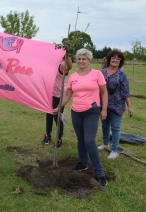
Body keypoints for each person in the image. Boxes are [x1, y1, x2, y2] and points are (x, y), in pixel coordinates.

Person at [55, 48, 108, 186]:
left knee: (89, 140)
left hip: (91, 110)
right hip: (76, 111)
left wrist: (104, 110)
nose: (81, 61)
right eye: (79, 59)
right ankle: (83, 163)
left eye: (84, 58)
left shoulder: (97, 74)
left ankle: (99, 172)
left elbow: (104, 93)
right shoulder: (73, 76)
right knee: (80, 139)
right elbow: (68, 94)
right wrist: (60, 106)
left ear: (89, 60)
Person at [98, 50, 134, 159]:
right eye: (113, 58)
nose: (115, 60)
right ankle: (105, 144)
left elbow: (126, 92)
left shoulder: (122, 75)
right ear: (109, 59)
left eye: (118, 59)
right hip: (103, 105)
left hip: (117, 106)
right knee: (104, 126)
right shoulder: (101, 72)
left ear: (120, 62)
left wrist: (130, 106)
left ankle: (114, 150)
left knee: (115, 128)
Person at [42, 57, 72, 148]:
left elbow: (66, 89)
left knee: (58, 118)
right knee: (49, 116)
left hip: (59, 97)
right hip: (50, 95)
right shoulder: (56, 66)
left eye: (67, 68)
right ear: (61, 62)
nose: (65, 69)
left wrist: (60, 104)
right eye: (64, 66)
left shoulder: (65, 72)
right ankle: (47, 135)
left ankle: (59, 138)